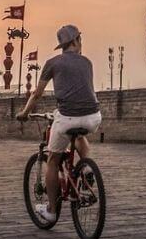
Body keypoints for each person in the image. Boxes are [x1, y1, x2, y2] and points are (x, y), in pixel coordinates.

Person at [16, 24, 101, 224]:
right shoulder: (87, 62)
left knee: (53, 159)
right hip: (93, 116)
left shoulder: (53, 63)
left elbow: (37, 94)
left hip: (67, 117)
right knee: (79, 135)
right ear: (75, 41)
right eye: (80, 39)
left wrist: (25, 113)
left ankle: (52, 211)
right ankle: (87, 169)